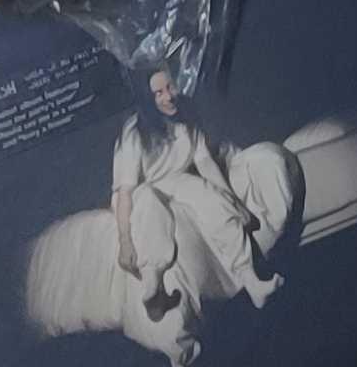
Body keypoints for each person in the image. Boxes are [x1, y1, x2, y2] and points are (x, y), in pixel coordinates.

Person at [109, 66, 280, 328]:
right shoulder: (135, 131)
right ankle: (153, 287)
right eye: (158, 93)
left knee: (209, 196)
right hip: (138, 191)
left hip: (175, 179)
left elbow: (204, 161)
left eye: (170, 87)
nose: (168, 96)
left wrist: (232, 199)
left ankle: (252, 281)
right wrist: (125, 241)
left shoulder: (187, 116)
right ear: (148, 99)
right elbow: (125, 192)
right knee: (150, 203)